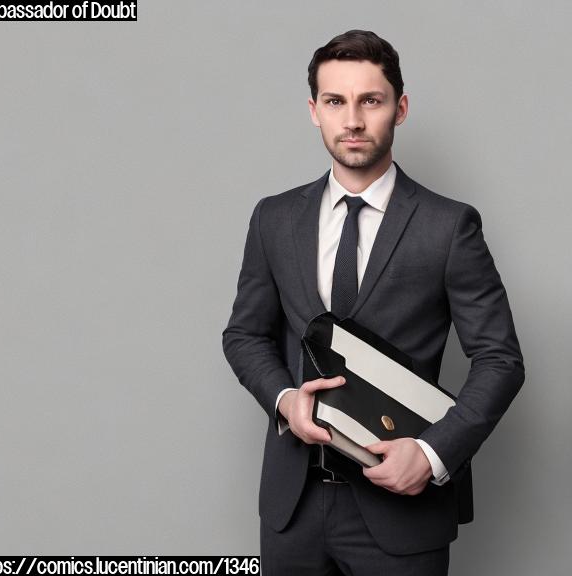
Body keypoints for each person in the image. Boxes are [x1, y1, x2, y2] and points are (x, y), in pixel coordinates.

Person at [222, 29, 524, 575]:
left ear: (400, 108)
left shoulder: (449, 227)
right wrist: (286, 400)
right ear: (314, 110)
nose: (353, 120)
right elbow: (244, 336)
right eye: (336, 101)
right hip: (292, 508)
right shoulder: (273, 218)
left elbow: (501, 360)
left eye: (371, 100)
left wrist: (432, 455)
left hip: (401, 512)